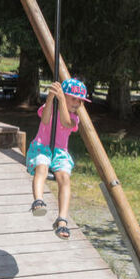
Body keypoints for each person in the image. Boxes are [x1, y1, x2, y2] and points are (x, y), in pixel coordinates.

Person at [26, 78, 91, 239]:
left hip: (60, 152)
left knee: (64, 178)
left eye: (80, 101)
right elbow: (45, 119)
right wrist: (51, 97)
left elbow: (65, 121)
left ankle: (62, 219)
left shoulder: (75, 118)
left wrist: (62, 100)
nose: (77, 103)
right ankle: (38, 201)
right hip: (41, 147)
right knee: (41, 167)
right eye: (73, 98)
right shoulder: (50, 108)